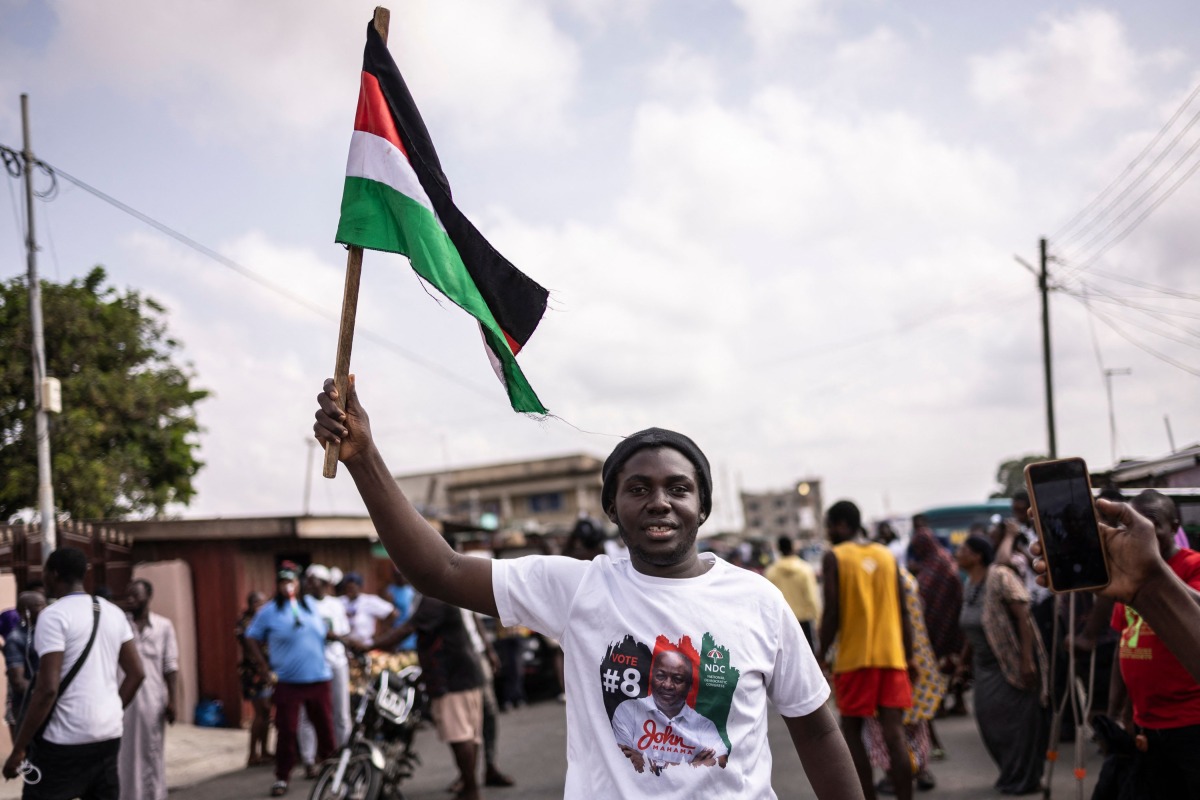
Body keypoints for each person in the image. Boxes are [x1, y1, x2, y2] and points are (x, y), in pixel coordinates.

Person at [314, 378, 862, 799]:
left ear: (704, 507)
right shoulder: (578, 588)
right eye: (638, 488)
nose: (660, 501)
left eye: (679, 488)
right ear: (612, 508)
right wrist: (364, 458)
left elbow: (815, 731)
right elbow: (443, 571)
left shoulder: (758, 600)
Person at [2, 547, 145, 800]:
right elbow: (137, 673)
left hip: (63, 742)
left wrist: (19, 749)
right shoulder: (113, 612)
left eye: (45, 571)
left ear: (53, 575)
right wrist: (113, 709)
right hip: (108, 735)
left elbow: (47, 690)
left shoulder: (53, 616)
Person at [1106, 490, 1200, 795]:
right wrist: (1118, 713)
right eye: (1134, 526)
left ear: (1174, 527)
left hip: (1191, 721)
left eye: (1152, 524)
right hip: (1146, 720)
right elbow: (1125, 643)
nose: (1141, 535)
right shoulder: (1128, 576)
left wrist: (1153, 580)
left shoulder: (1193, 566)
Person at [818, 500, 914, 800]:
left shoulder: (834, 556)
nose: (828, 532)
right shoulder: (886, 555)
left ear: (841, 524)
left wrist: (820, 654)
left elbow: (832, 611)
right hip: (892, 658)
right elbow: (904, 610)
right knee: (895, 735)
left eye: (829, 526)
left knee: (852, 733)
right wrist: (908, 656)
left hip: (854, 659)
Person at [955, 535, 1048, 795]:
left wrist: (1026, 660)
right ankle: (1011, 772)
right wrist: (963, 663)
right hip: (983, 667)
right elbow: (972, 630)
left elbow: (1024, 616)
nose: (957, 552)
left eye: (962, 549)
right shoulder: (969, 585)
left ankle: (1026, 778)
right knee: (989, 722)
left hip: (1010, 662)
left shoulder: (1000, 576)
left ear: (977, 556)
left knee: (1018, 725)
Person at [244, 565, 336, 797]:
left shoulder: (311, 606)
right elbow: (251, 637)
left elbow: (323, 633)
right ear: (277, 585)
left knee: (325, 727)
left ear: (298, 583)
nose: (288, 585)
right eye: (283, 581)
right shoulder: (269, 611)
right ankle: (282, 777)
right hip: (288, 681)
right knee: (287, 730)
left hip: (317, 677)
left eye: (292, 581)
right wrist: (264, 667)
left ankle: (332, 769)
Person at [389, 594, 487, 800]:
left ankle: (471, 789)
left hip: (451, 678)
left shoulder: (435, 597)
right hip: (465, 673)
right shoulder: (443, 593)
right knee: (468, 735)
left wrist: (370, 645)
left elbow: (409, 627)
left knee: (460, 737)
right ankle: (469, 784)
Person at [611, 648, 729, 775]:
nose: (667, 685)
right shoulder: (628, 710)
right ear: (651, 678)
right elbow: (621, 760)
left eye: (677, 679)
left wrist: (645, 761)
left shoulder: (704, 725)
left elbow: (721, 762)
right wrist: (692, 765)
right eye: (661, 676)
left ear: (689, 686)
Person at [118, 579, 180, 800]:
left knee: (151, 753)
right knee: (124, 755)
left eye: (136, 595)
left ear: (148, 597)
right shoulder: (119, 624)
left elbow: (170, 666)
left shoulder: (163, 626)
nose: (130, 600)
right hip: (123, 700)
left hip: (152, 701)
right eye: (128, 595)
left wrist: (172, 700)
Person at [297, 565, 351, 779]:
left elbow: (343, 633)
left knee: (341, 712)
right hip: (312, 665)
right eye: (310, 581)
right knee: (308, 714)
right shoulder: (302, 605)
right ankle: (309, 760)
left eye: (318, 581)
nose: (314, 585)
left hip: (337, 662)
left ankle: (345, 754)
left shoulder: (335, 604)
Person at [235, 590, 273, 767]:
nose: (261, 607)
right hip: (254, 673)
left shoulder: (264, 621)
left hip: (267, 671)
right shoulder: (245, 623)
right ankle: (252, 753)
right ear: (250, 605)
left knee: (266, 713)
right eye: (257, 603)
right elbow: (251, 648)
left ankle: (264, 751)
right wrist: (262, 668)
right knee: (261, 711)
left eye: (263, 603)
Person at [765, 535, 821, 648]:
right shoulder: (805, 569)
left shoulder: (771, 572)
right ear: (793, 547)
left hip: (782, 623)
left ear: (779, 549)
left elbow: (767, 601)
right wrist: (818, 620)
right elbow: (812, 598)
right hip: (804, 622)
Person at [5, 591, 46, 739]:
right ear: (25, 612)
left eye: (44, 605)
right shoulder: (16, 639)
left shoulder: (50, 633)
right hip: (28, 706)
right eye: (38, 606)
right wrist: (44, 694)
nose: (44, 610)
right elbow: (17, 681)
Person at [339, 573, 398, 652]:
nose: (349, 591)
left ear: (360, 588)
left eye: (352, 588)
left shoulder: (368, 601)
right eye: (347, 588)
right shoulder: (340, 601)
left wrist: (381, 634)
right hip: (345, 646)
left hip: (365, 645)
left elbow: (393, 613)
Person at [383, 569, 417, 651]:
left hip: (411, 628)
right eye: (398, 576)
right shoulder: (390, 591)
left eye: (403, 575)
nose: (401, 578)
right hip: (397, 628)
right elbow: (387, 613)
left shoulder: (411, 590)